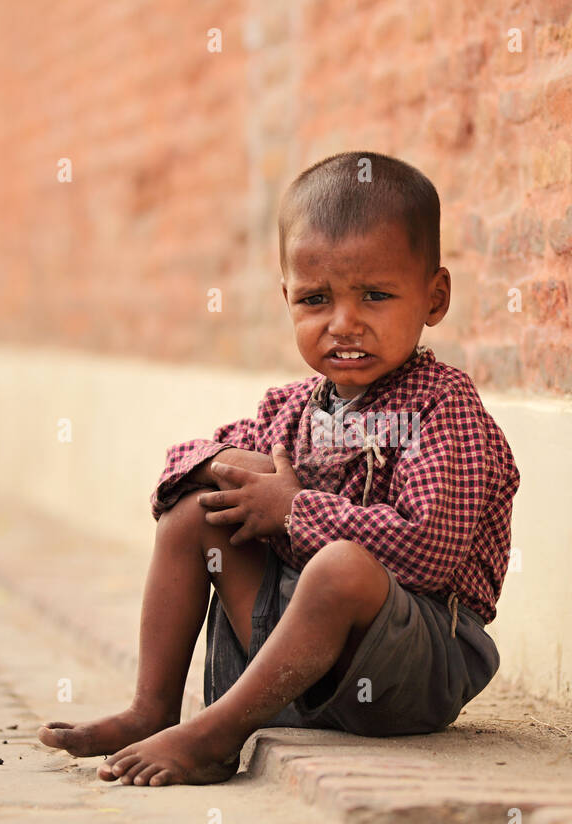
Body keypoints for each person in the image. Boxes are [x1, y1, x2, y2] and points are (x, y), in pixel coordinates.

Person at [38, 151, 520, 786]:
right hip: (301, 664)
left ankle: (214, 736)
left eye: (375, 296)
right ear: (287, 297)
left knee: (342, 568)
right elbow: (173, 476)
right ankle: (152, 710)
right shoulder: (290, 409)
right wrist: (225, 466)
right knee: (193, 516)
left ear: (435, 297)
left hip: (413, 666)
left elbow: (429, 552)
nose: (343, 324)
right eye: (316, 299)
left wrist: (295, 512)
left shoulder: (443, 408)